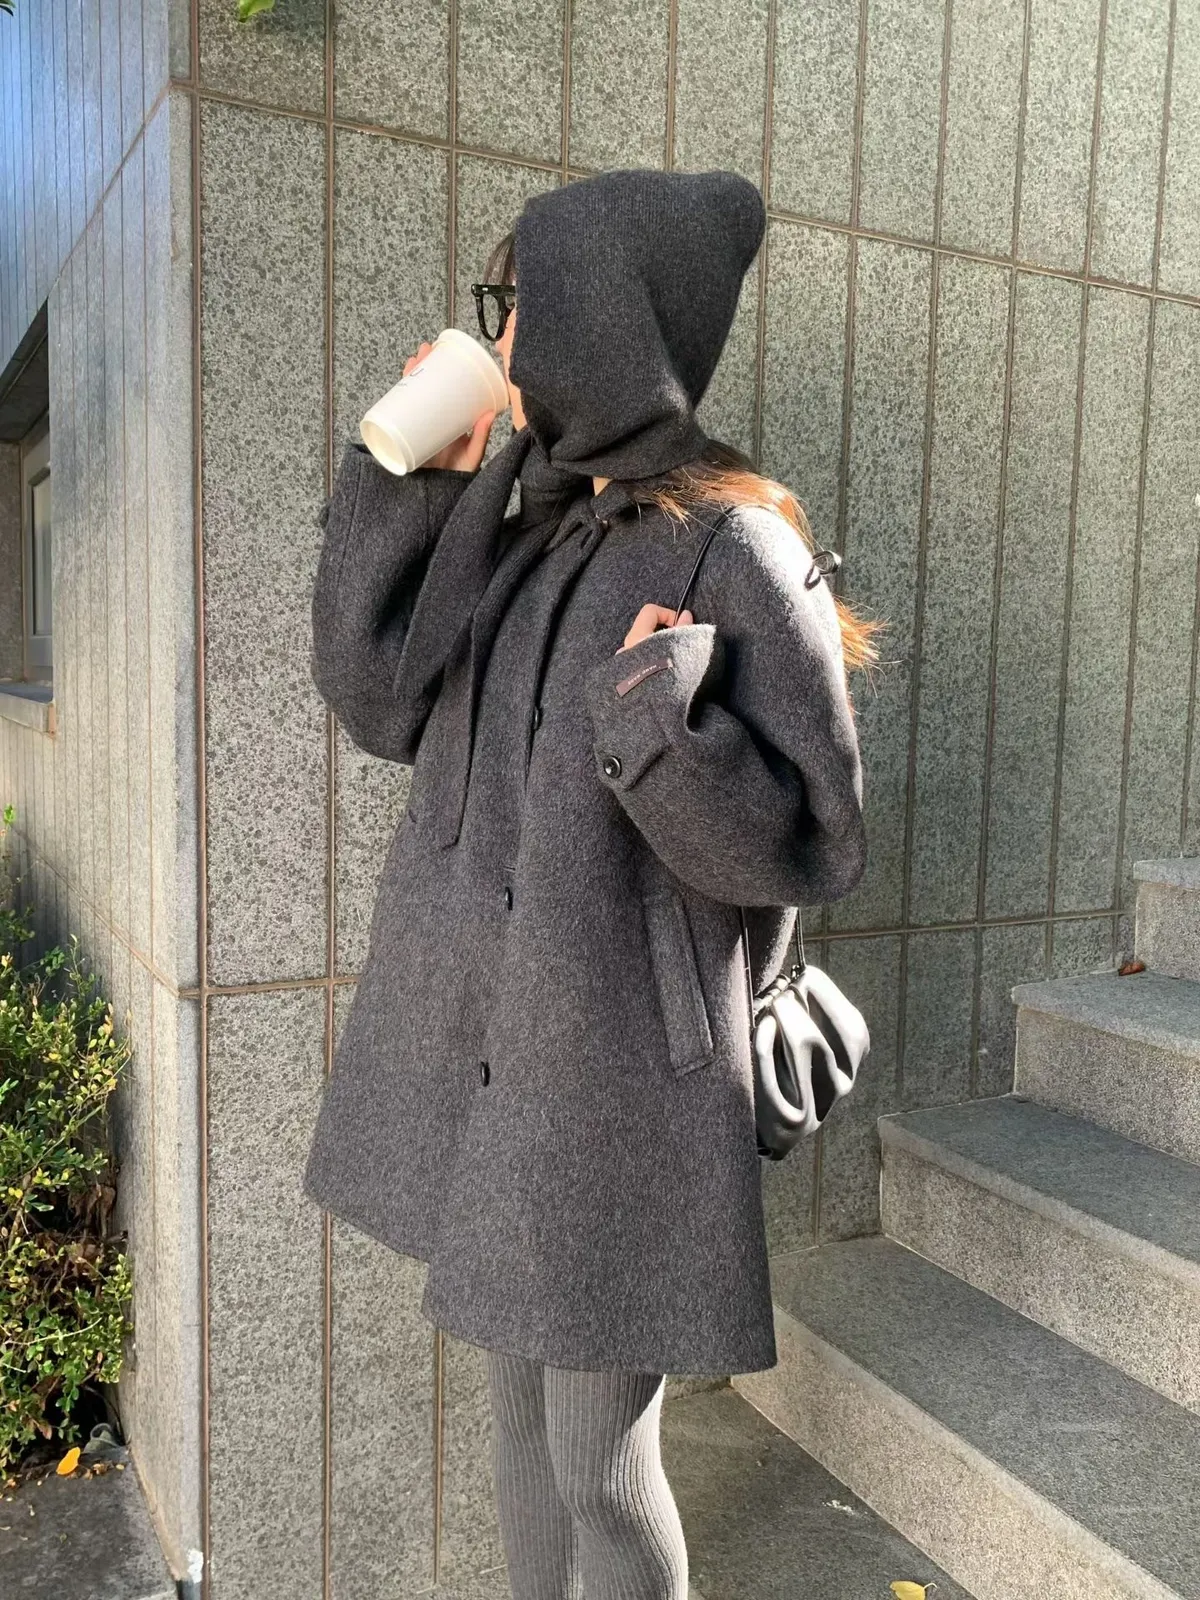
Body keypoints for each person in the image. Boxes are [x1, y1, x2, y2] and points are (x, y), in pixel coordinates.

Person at [301, 167, 879, 1599]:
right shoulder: (526, 527)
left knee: (600, 1464)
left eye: (515, 305)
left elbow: (813, 841)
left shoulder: (739, 544)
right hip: (498, 1045)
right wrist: (411, 484)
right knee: (520, 1428)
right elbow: (378, 694)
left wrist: (657, 729)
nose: (498, 337)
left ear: (598, 319)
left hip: (622, 1080)